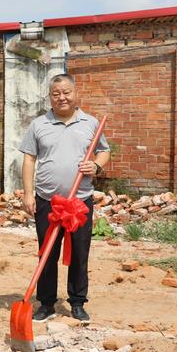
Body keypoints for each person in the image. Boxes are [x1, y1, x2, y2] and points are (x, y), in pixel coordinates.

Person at [19, 73, 110, 323]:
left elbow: (104, 151)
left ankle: (78, 302)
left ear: (75, 93)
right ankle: (46, 303)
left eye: (66, 92)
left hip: (79, 202)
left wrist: (97, 167)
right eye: (56, 93)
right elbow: (29, 159)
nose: (62, 97)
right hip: (48, 200)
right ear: (50, 97)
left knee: (80, 253)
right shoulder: (39, 124)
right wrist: (28, 193)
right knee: (47, 253)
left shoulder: (90, 123)